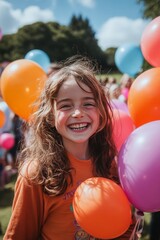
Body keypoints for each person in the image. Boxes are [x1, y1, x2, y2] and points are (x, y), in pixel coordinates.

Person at [4, 56, 137, 240]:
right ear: (50, 116)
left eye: (88, 103)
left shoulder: (111, 165)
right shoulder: (36, 175)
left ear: (100, 113)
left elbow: (123, 227)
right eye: (65, 106)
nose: (77, 113)